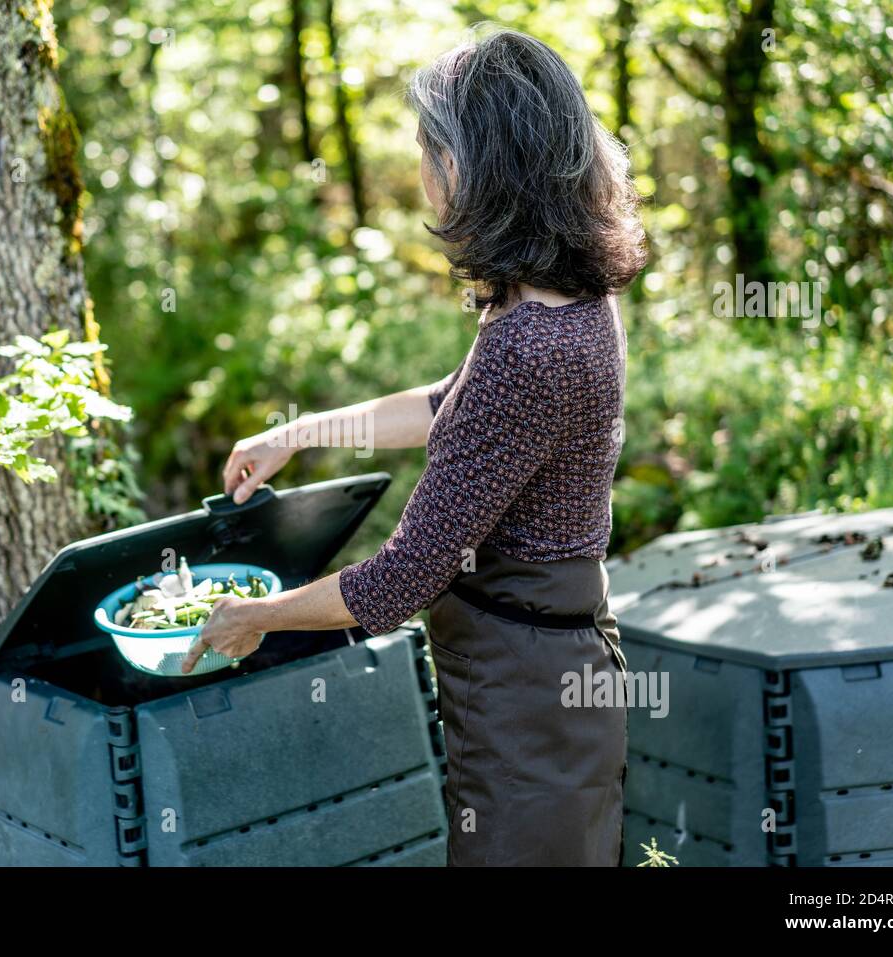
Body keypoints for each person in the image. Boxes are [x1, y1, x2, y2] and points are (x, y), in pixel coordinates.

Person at [182, 26, 647, 866]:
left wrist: (257, 618)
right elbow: (450, 405)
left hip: (529, 705)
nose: (420, 176)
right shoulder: (559, 298)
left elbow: (399, 580)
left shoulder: (529, 349)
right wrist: (301, 433)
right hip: (547, 667)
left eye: (429, 152)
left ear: (477, 166)